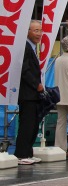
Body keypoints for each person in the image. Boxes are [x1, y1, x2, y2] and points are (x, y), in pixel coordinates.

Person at [15, 20, 45, 165]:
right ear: (27, 32)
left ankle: (28, 152)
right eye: (36, 30)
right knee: (27, 123)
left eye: (40, 30)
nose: (39, 34)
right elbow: (24, 70)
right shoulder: (25, 48)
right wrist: (36, 84)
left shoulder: (32, 48)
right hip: (27, 93)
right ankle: (21, 154)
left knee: (33, 124)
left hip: (33, 94)